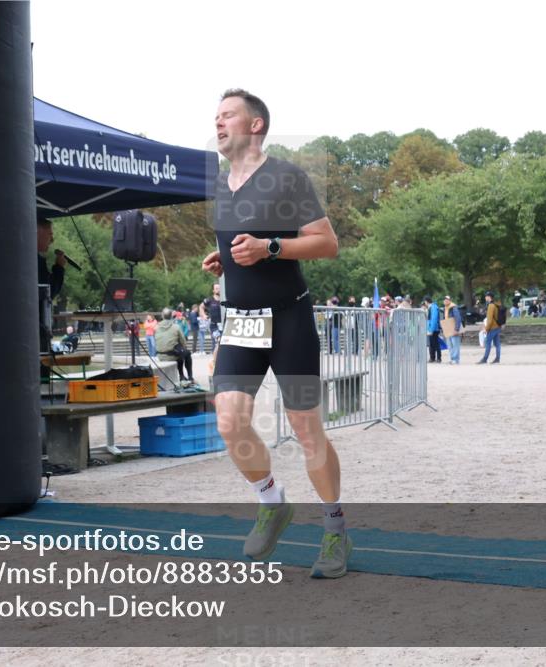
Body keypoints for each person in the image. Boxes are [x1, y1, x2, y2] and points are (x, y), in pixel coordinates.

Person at [201, 88, 348, 578]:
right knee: (229, 421)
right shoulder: (221, 185)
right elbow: (245, 243)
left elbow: (326, 243)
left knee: (306, 429)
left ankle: (335, 530)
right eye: (216, 116)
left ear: (255, 124)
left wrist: (270, 248)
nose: (218, 122)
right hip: (241, 322)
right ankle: (271, 502)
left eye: (228, 115)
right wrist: (226, 260)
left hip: (289, 320)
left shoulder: (287, 177)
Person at [154, 308, 194, 383]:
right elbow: (183, 342)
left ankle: (182, 376)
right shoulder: (176, 327)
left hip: (160, 355)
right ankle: (189, 377)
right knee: (186, 353)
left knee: (178, 352)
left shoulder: (156, 327)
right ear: (171, 316)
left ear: (162, 316)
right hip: (172, 355)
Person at [37, 216, 66, 301]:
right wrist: (59, 268)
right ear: (38, 232)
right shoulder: (34, 261)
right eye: (50, 234)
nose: (52, 240)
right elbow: (48, 293)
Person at [477, 291, 502, 364]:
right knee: (497, 344)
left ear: (489, 297)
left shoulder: (491, 306)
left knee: (488, 343)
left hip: (492, 328)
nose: (485, 297)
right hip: (497, 326)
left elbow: (490, 319)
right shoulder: (496, 304)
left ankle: (485, 359)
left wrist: (486, 329)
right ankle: (497, 358)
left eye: (486, 296)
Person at [442, 295, 463, 364]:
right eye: (444, 300)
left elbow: (458, 318)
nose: (445, 301)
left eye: (447, 300)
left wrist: (456, 329)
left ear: (450, 301)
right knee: (449, 345)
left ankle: (456, 359)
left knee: (455, 344)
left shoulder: (453, 308)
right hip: (448, 329)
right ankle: (452, 358)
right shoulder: (445, 308)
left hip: (453, 329)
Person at [203, 284, 223, 352]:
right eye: (216, 288)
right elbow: (201, 307)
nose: (218, 290)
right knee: (218, 341)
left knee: (222, 343)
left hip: (224, 324)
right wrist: (203, 315)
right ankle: (215, 357)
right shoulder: (209, 300)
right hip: (214, 325)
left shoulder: (224, 299)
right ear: (213, 290)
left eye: (219, 288)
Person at [424, 296, 441, 362]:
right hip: (433, 328)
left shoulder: (433, 307)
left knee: (435, 344)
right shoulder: (431, 307)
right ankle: (433, 358)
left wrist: (431, 330)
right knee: (432, 344)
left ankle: (437, 358)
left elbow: (434, 319)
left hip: (434, 329)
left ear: (426, 301)